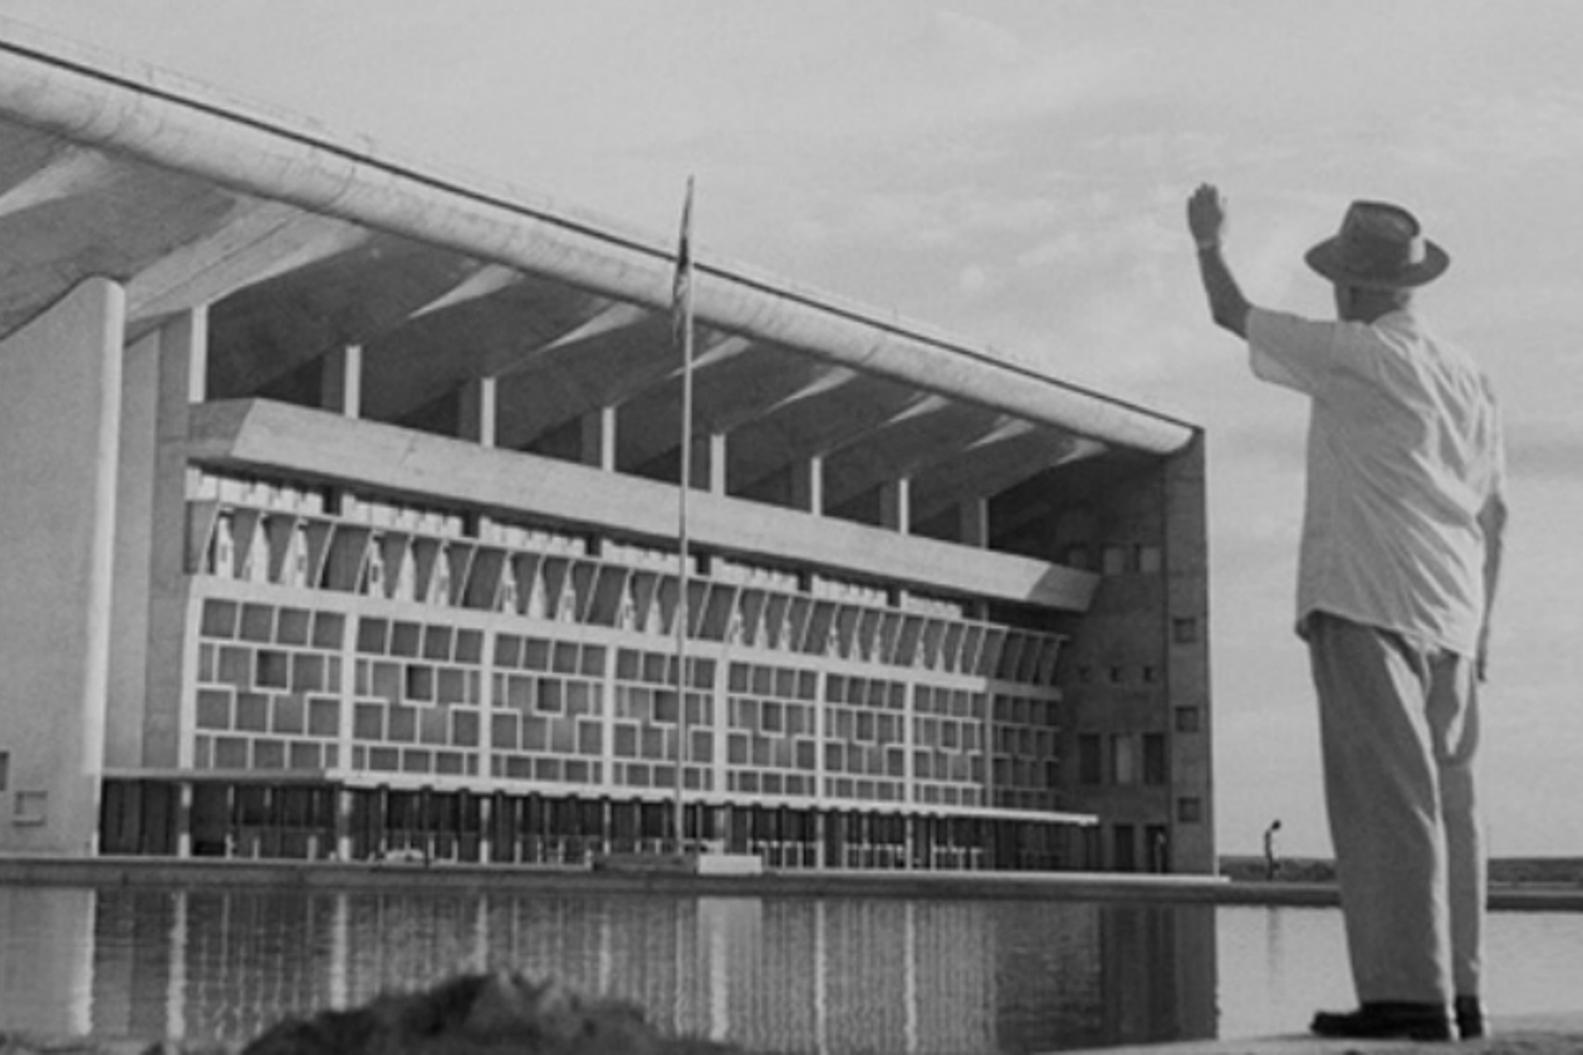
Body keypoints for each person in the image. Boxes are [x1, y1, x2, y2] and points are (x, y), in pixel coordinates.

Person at [1186, 186, 1507, 1043]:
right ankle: (1460, 993)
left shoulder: (1353, 354)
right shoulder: (1468, 377)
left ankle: (1408, 999)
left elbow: (1231, 313)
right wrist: (1481, 635)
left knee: (1384, 802)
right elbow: (1493, 514)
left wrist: (1207, 242)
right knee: (1452, 805)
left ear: (1352, 286)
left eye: (1335, 277)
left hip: (1366, 594)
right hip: (1454, 607)